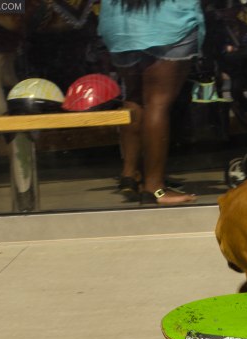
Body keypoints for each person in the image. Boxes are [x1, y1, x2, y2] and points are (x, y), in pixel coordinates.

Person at [98, 0, 203, 205]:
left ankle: (129, 174)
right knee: (158, 102)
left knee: (134, 96)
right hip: (168, 23)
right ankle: (155, 188)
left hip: (121, 25)